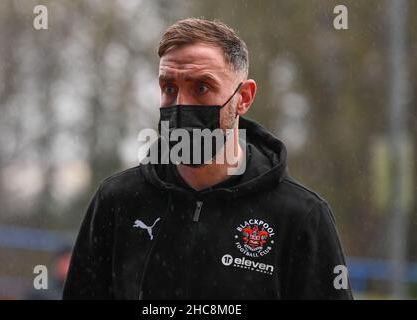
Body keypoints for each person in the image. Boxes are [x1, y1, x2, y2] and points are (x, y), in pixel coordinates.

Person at [63, 18, 353, 300]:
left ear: (244, 97)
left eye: (201, 87)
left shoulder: (300, 216)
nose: (181, 105)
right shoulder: (118, 201)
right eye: (169, 88)